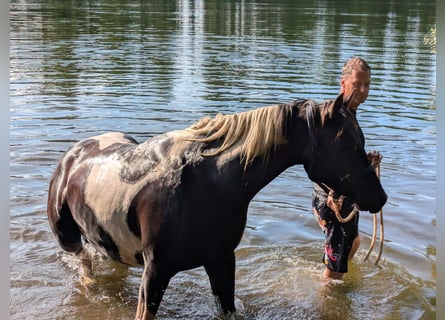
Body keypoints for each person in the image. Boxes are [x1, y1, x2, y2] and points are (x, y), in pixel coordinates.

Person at [312, 56, 382, 282]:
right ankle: (327, 304)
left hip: (342, 196)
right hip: (333, 201)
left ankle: (329, 273)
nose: (363, 90)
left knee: (355, 242)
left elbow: (341, 157)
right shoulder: (334, 117)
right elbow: (319, 161)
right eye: (357, 84)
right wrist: (332, 193)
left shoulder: (350, 112)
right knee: (335, 276)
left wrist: (365, 160)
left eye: (367, 84)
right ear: (343, 83)